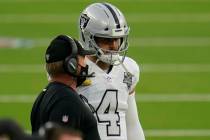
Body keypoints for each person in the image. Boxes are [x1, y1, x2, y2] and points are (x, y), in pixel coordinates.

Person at [77, 3, 145, 140]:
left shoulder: (128, 68)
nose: (114, 46)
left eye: (117, 39)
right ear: (88, 37)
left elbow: (132, 124)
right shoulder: (75, 69)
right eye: (106, 40)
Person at [30, 35, 100, 140]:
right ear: (71, 64)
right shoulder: (67, 101)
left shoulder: (44, 95)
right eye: (83, 58)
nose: (85, 64)